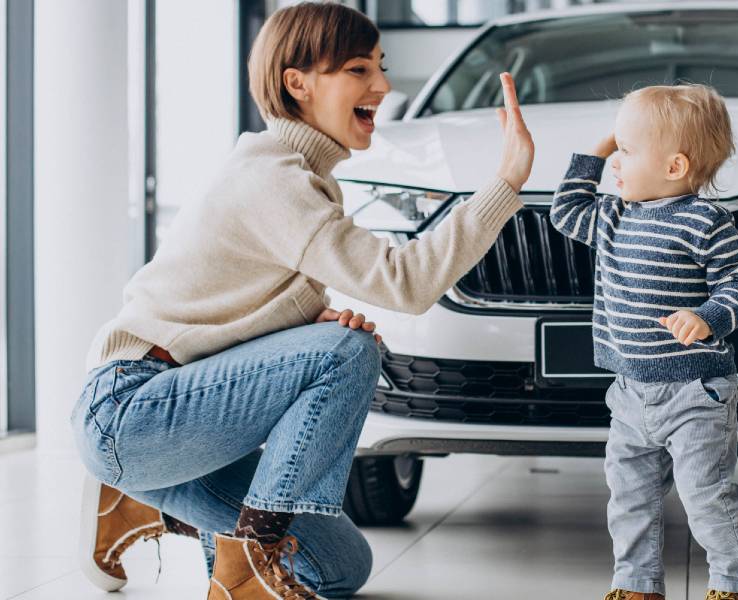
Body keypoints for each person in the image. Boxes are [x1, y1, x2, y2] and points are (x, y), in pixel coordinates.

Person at [70, 3, 534, 598]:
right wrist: (505, 184)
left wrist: (305, 321)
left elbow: (228, 304)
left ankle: (141, 505)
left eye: (380, 67)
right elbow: (406, 283)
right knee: (346, 350)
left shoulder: (299, 176)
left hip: (178, 426)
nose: (383, 86)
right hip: (133, 411)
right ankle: (251, 566)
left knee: (341, 570)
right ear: (298, 83)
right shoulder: (275, 177)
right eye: (359, 70)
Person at [549, 83, 738, 600]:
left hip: (696, 393)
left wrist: (709, 316)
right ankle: (637, 585)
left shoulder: (707, 221)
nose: (615, 163)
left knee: (706, 495)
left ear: (673, 168)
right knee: (629, 498)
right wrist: (596, 152)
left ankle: (735, 587)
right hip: (628, 392)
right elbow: (564, 209)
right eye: (616, 150)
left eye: (626, 151)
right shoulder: (613, 216)